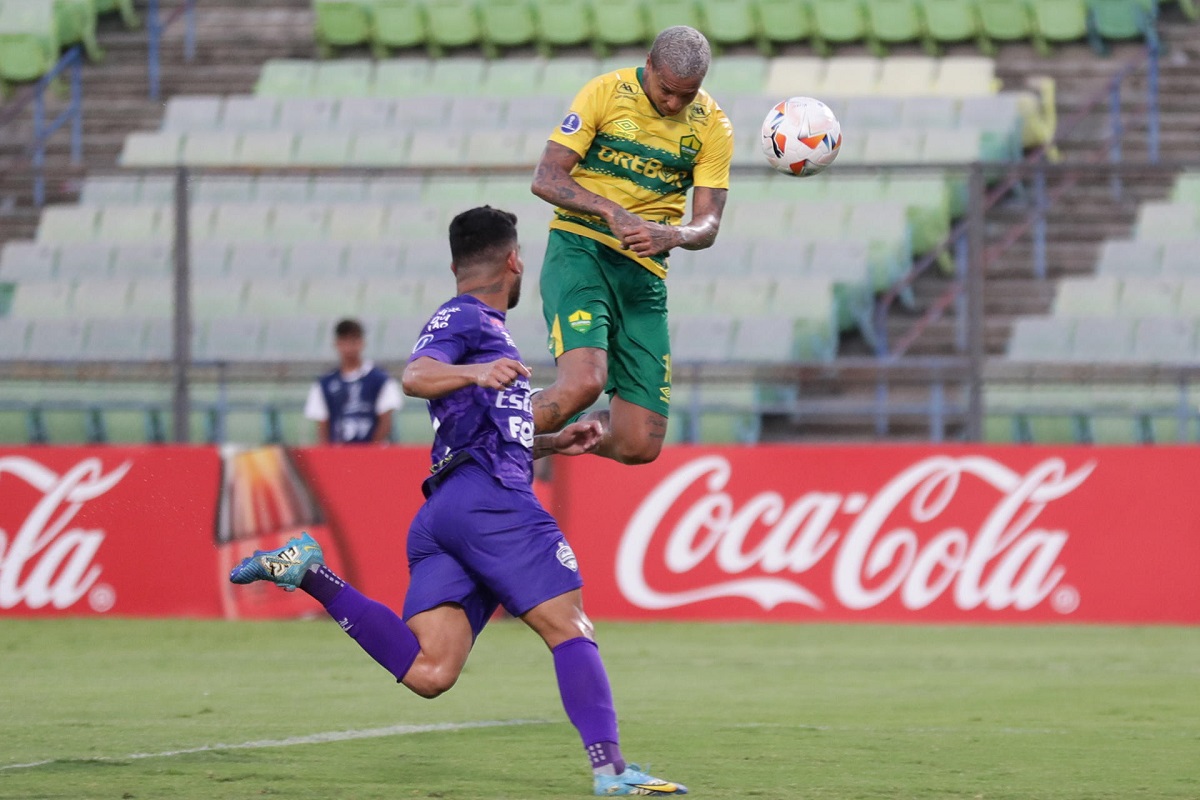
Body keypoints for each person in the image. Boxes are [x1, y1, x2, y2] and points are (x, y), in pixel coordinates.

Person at [231, 207, 688, 797]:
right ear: (514, 261)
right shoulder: (467, 318)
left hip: (445, 509)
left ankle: (310, 573)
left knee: (430, 671)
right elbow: (416, 376)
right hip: (487, 504)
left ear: (455, 264)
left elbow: (479, 432)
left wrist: (550, 443)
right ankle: (612, 772)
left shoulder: (483, 327)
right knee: (570, 626)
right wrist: (476, 372)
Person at [530, 25, 732, 465]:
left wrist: (675, 234)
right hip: (581, 251)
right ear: (649, 65)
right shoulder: (604, 93)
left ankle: (529, 441)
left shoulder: (713, 126)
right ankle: (475, 435)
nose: (675, 103)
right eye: (667, 90)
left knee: (640, 443)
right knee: (583, 383)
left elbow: (709, 223)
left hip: (644, 275)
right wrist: (611, 211)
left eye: (688, 94)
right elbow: (546, 178)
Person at [304, 318, 403, 444]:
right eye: (344, 341)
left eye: (353, 341)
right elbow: (323, 425)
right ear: (337, 344)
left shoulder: (380, 379)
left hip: (373, 454)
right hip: (338, 455)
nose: (349, 347)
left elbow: (386, 421)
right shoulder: (325, 384)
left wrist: (371, 452)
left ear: (362, 343)